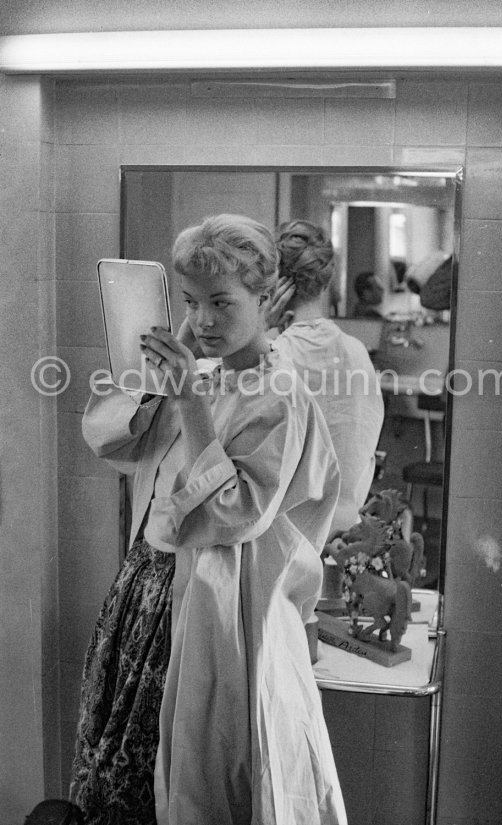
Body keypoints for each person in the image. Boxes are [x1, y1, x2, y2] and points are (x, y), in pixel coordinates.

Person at [71, 214, 347, 825]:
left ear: (266, 297)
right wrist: (165, 378)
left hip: (221, 610)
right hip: (144, 596)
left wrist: (191, 402)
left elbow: (233, 513)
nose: (204, 321)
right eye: (192, 303)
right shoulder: (195, 374)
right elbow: (113, 442)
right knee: (125, 775)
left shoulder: (280, 397)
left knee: (204, 783)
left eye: (223, 302)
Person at [269, 219, 385, 533]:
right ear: (327, 278)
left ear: (272, 279)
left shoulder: (272, 355)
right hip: (343, 525)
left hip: (284, 535)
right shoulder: (357, 351)